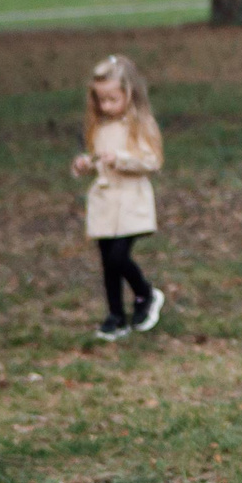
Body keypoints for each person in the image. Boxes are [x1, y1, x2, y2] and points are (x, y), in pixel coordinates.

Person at [73, 54, 167, 342]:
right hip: (104, 202)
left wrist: (122, 159)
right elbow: (98, 158)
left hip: (130, 201)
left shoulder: (139, 125)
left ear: (130, 93)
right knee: (107, 261)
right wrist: (85, 164)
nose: (106, 106)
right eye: (101, 100)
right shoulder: (99, 128)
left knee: (118, 256)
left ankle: (145, 293)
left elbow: (151, 161)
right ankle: (116, 315)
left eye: (113, 99)